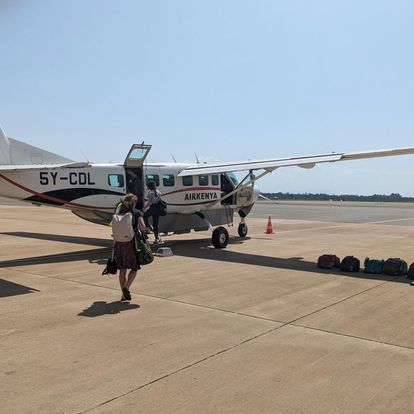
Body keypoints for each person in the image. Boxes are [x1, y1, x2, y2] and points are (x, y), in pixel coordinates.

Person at [113, 193, 145, 301]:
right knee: (134, 268)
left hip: (119, 244)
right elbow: (142, 226)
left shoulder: (118, 212)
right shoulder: (136, 212)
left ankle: (123, 291)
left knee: (123, 269)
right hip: (131, 244)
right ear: (134, 203)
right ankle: (126, 288)